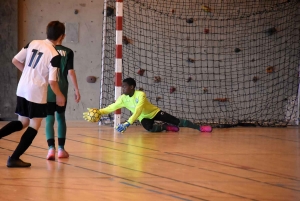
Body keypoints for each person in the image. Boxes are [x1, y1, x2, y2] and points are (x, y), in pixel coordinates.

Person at [0, 21, 66, 168]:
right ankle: (14, 158)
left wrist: (29, 74)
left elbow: (15, 60)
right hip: (35, 92)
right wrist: (60, 96)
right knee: (34, 125)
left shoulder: (33, 43)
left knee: (22, 122)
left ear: (47, 32)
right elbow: (52, 82)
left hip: (22, 88)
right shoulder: (54, 55)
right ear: (62, 37)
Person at [83, 78, 212, 133]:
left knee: (179, 122)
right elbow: (112, 107)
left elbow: (138, 110)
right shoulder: (122, 98)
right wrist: (99, 111)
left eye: (125, 86)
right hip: (143, 118)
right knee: (150, 129)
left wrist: (127, 123)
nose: (122, 88)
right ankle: (165, 128)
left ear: (132, 87)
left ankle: (199, 128)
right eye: (122, 86)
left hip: (154, 112)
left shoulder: (140, 95)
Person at [45, 35, 80, 160]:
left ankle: (50, 149)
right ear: (63, 36)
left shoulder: (46, 49)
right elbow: (70, 72)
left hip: (48, 87)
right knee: (60, 118)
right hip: (62, 87)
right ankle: (61, 149)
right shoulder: (68, 51)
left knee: (49, 119)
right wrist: (76, 89)